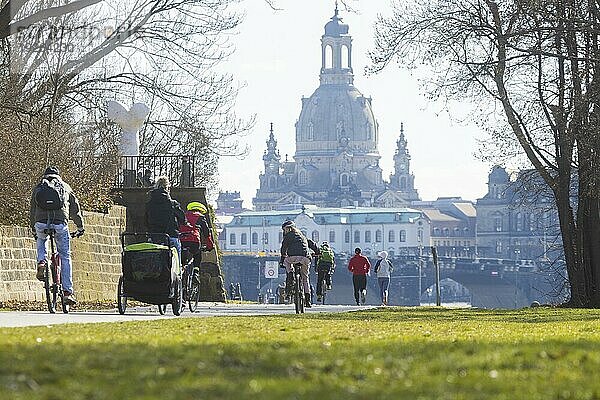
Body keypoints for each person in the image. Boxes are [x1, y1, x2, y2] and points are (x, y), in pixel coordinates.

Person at [30, 166, 84, 305]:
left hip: (41, 223)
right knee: (65, 256)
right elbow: (75, 210)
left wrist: (34, 229)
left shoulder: (39, 187)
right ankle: (67, 292)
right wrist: (80, 226)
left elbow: (32, 210)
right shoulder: (65, 187)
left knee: (41, 240)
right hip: (60, 223)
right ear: (58, 175)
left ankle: (42, 262)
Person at [145, 176, 185, 264]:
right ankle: (177, 275)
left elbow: (146, 222)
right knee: (177, 262)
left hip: (155, 237)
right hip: (171, 236)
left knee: (155, 263)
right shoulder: (173, 204)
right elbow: (182, 219)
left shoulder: (149, 204)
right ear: (167, 188)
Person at [279, 220, 313, 308]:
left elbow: (283, 249)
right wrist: (318, 252)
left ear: (286, 229)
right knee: (305, 278)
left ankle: (290, 275)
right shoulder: (302, 236)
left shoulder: (288, 236)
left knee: (287, 262)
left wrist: (282, 260)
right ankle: (308, 300)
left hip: (292, 258)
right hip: (305, 258)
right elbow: (312, 244)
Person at [179, 201, 214, 283]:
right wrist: (210, 246)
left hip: (181, 240)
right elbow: (206, 233)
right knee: (197, 254)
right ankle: (196, 273)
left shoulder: (182, 215)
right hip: (193, 241)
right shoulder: (200, 217)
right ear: (201, 211)